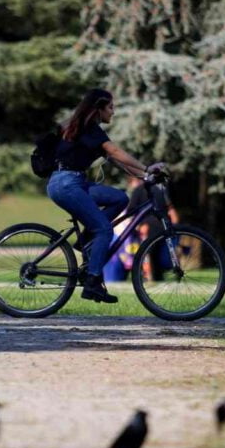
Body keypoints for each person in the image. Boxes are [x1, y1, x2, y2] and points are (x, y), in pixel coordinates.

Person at [46, 88, 164, 304]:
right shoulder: (90, 129)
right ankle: (92, 282)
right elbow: (116, 152)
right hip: (67, 184)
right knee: (104, 229)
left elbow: (118, 161)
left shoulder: (87, 129)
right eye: (110, 107)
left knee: (120, 198)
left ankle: (88, 240)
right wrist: (147, 168)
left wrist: (146, 175)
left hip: (73, 182)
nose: (113, 111)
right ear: (98, 109)